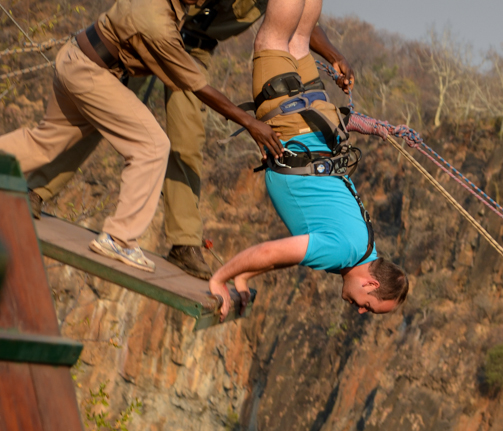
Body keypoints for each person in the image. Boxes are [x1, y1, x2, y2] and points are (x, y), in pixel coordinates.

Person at [24, 0, 356, 280]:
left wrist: (333, 54)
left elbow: (301, 22)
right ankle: (35, 190)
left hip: (193, 50)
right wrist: (248, 121)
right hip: (147, 34)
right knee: (96, 114)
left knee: (187, 140)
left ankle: (184, 243)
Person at [208, 0, 408, 321]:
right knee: (274, 39)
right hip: (290, 120)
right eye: (367, 304)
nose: (359, 308)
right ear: (371, 282)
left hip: (316, 122)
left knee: (298, 40)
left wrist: (243, 277)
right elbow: (269, 252)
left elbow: (279, 260)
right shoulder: (339, 253)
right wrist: (220, 278)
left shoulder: (365, 245)